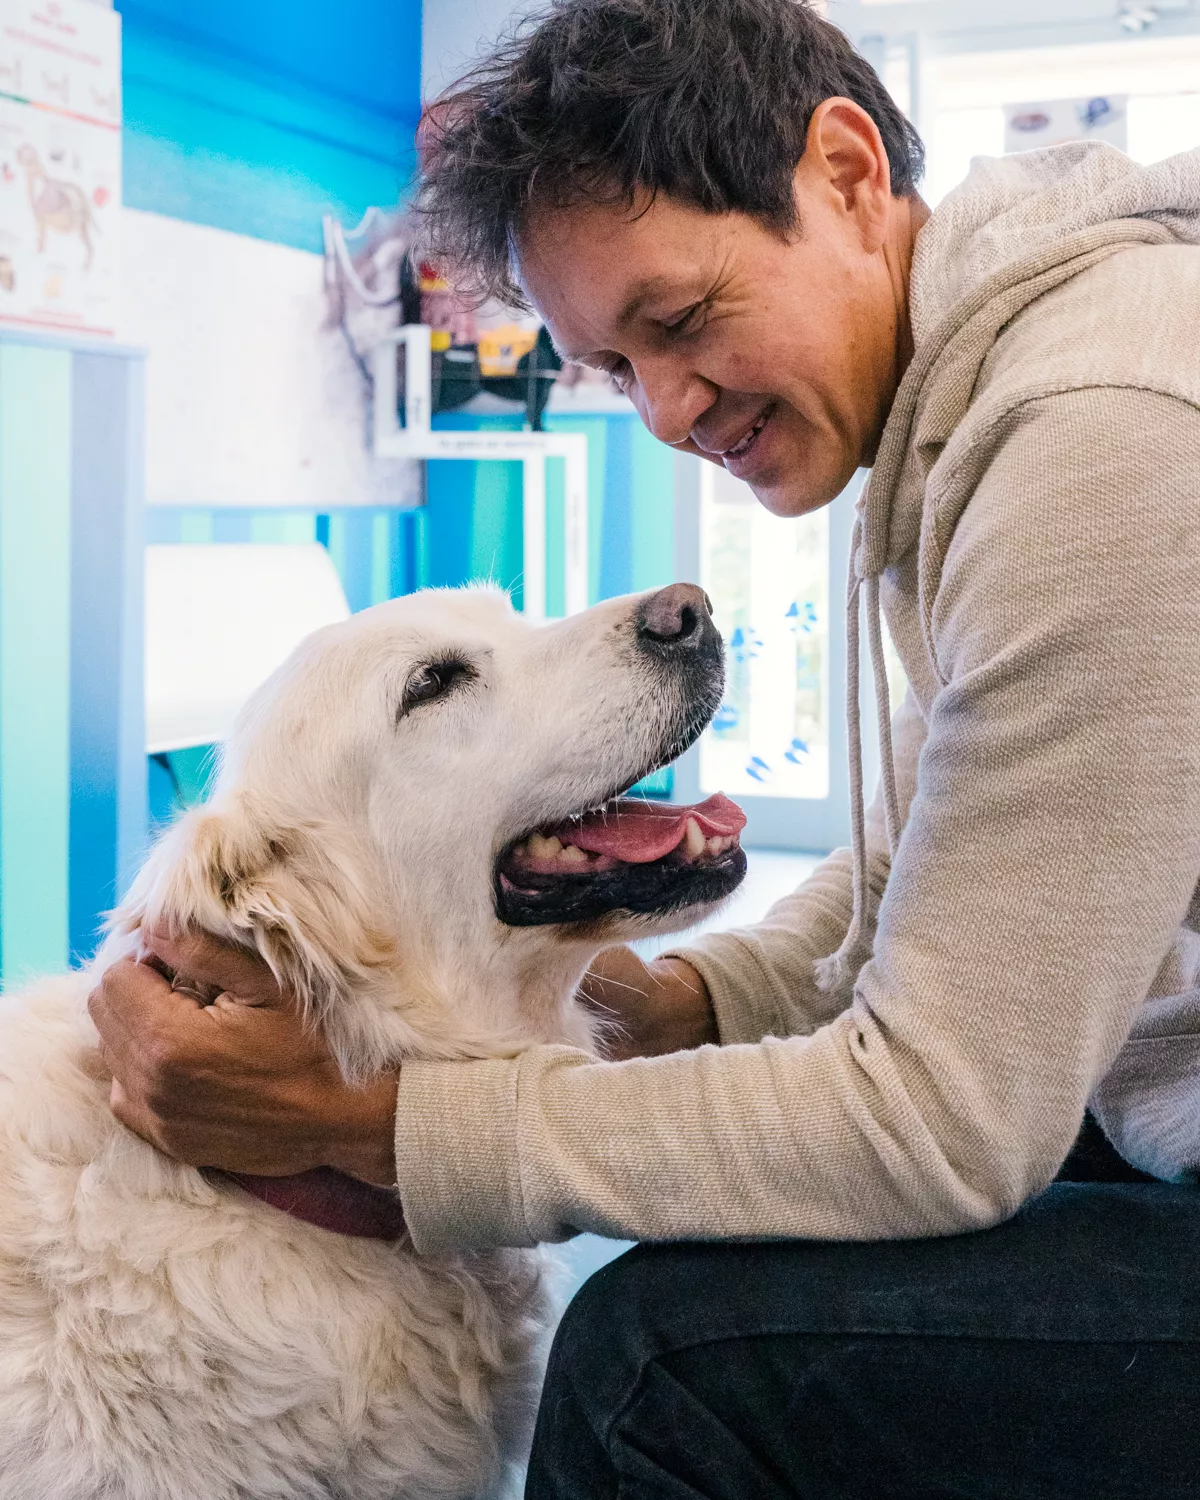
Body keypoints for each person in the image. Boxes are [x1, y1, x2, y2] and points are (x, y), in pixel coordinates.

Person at [91, 1, 1200, 1493]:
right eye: (615, 368)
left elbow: (945, 1121)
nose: (671, 414)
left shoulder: (1095, 431)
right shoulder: (980, 396)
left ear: (849, 172)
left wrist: (396, 1125)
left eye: (678, 323)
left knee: (658, 1358)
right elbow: (954, 868)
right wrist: (679, 1003)